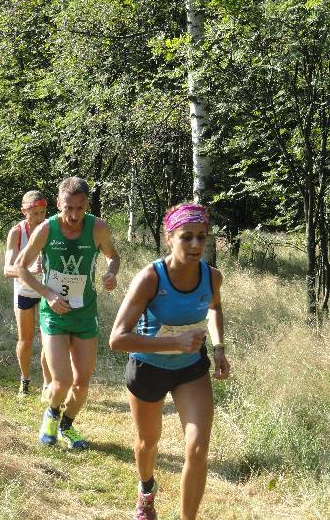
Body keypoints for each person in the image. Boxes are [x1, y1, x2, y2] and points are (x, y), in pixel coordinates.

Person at [108, 203, 230, 520]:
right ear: (169, 238)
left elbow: (215, 308)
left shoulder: (212, 276)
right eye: (186, 237)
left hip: (191, 370)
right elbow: (117, 338)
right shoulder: (150, 278)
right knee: (148, 443)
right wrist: (173, 342)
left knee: (198, 449)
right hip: (148, 369)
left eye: (201, 238)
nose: (195, 245)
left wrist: (218, 346)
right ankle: (146, 491)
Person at [15, 176, 120, 448]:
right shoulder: (47, 229)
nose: (73, 215)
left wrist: (111, 272)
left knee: (82, 385)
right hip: (55, 315)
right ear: (59, 203)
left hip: (85, 313)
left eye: (80, 209)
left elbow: (113, 255)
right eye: (68, 208)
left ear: (87, 206)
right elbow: (20, 266)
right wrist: (48, 294)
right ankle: (50, 414)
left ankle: (67, 425)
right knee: (61, 382)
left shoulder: (98, 228)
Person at [3, 190, 52, 398]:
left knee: (48, 340)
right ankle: (24, 380)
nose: (39, 218)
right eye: (34, 214)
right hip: (23, 291)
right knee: (26, 340)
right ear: (24, 212)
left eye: (42, 213)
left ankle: (47, 384)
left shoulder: (50, 229)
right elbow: (7, 269)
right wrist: (28, 271)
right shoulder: (16, 232)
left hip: (46, 291)